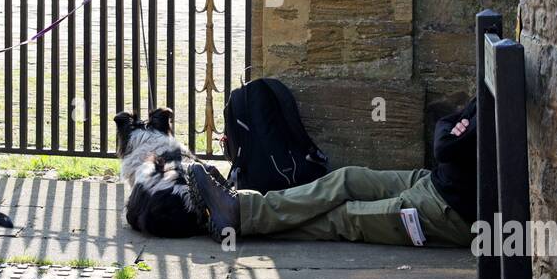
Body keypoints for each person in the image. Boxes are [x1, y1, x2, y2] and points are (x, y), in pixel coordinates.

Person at [193, 98, 478, 247]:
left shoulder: (504, 90)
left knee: (344, 217)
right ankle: (236, 211)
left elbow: (445, 145)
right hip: (432, 181)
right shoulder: (496, 78)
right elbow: (448, 122)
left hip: (448, 212)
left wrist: (452, 132)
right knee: (347, 178)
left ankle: (239, 215)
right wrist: (451, 131)